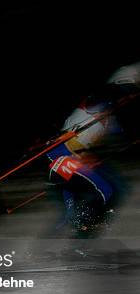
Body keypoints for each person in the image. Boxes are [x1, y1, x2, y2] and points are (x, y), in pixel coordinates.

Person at [46, 61, 139, 238]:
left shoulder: (110, 119)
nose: (126, 99)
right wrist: (129, 87)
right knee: (105, 191)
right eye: (125, 94)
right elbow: (106, 94)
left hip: (77, 157)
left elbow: (125, 133)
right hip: (61, 155)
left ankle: (82, 237)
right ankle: (77, 240)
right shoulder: (95, 103)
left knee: (118, 188)